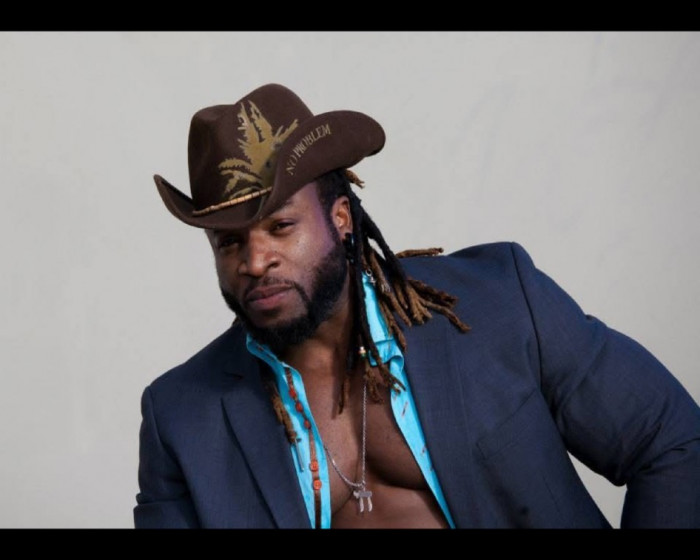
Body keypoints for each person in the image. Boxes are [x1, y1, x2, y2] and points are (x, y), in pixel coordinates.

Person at [135, 83, 700, 529]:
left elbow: (672, 440)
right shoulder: (182, 416)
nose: (255, 261)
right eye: (229, 243)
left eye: (280, 227)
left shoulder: (498, 304)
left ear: (340, 218)